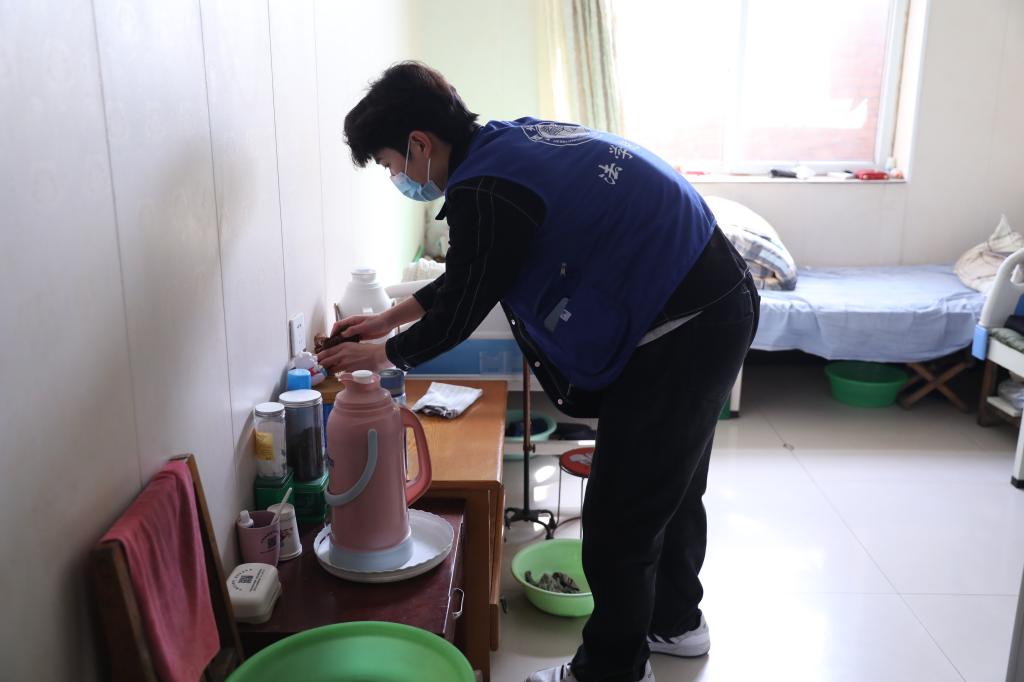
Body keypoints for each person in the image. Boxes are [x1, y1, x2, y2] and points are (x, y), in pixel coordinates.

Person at [318, 61, 759, 682]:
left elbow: (463, 307)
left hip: (683, 327)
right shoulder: (505, 145)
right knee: (672, 486)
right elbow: (476, 271)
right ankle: (675, 623)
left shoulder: (484, 191)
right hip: (713, 301)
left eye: (391, 164)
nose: (397, 178)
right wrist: (389, 319)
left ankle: (611, 671)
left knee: (622, 512)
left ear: (419, 144)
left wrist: (382, 355)